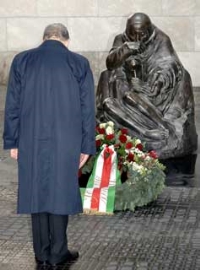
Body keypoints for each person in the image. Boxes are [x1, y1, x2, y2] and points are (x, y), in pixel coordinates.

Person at [3, 23, 96, 268]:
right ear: (67, 41)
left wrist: (12, 141)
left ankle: (41, 253)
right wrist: (86, 146)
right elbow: (88, 110)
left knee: (36, 191)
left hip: (30, 138)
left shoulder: (22, 60)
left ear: (44, 38)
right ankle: (58, 252)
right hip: (67, 140)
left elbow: (12, 105)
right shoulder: (79, 63)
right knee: (60, 192)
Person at [96, 13, 197, 159]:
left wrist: (157, 82)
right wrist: (125, 49)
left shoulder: (161, 39)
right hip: (127, 86)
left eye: (141, 35)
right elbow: (111, 64)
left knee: (183, 76)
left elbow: (169, 63)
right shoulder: (121, 39)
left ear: (149, 31)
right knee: (107, 78)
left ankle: (162, 126)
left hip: (153, 86)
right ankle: (145, 130)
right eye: (132, 34)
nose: (137, 39)